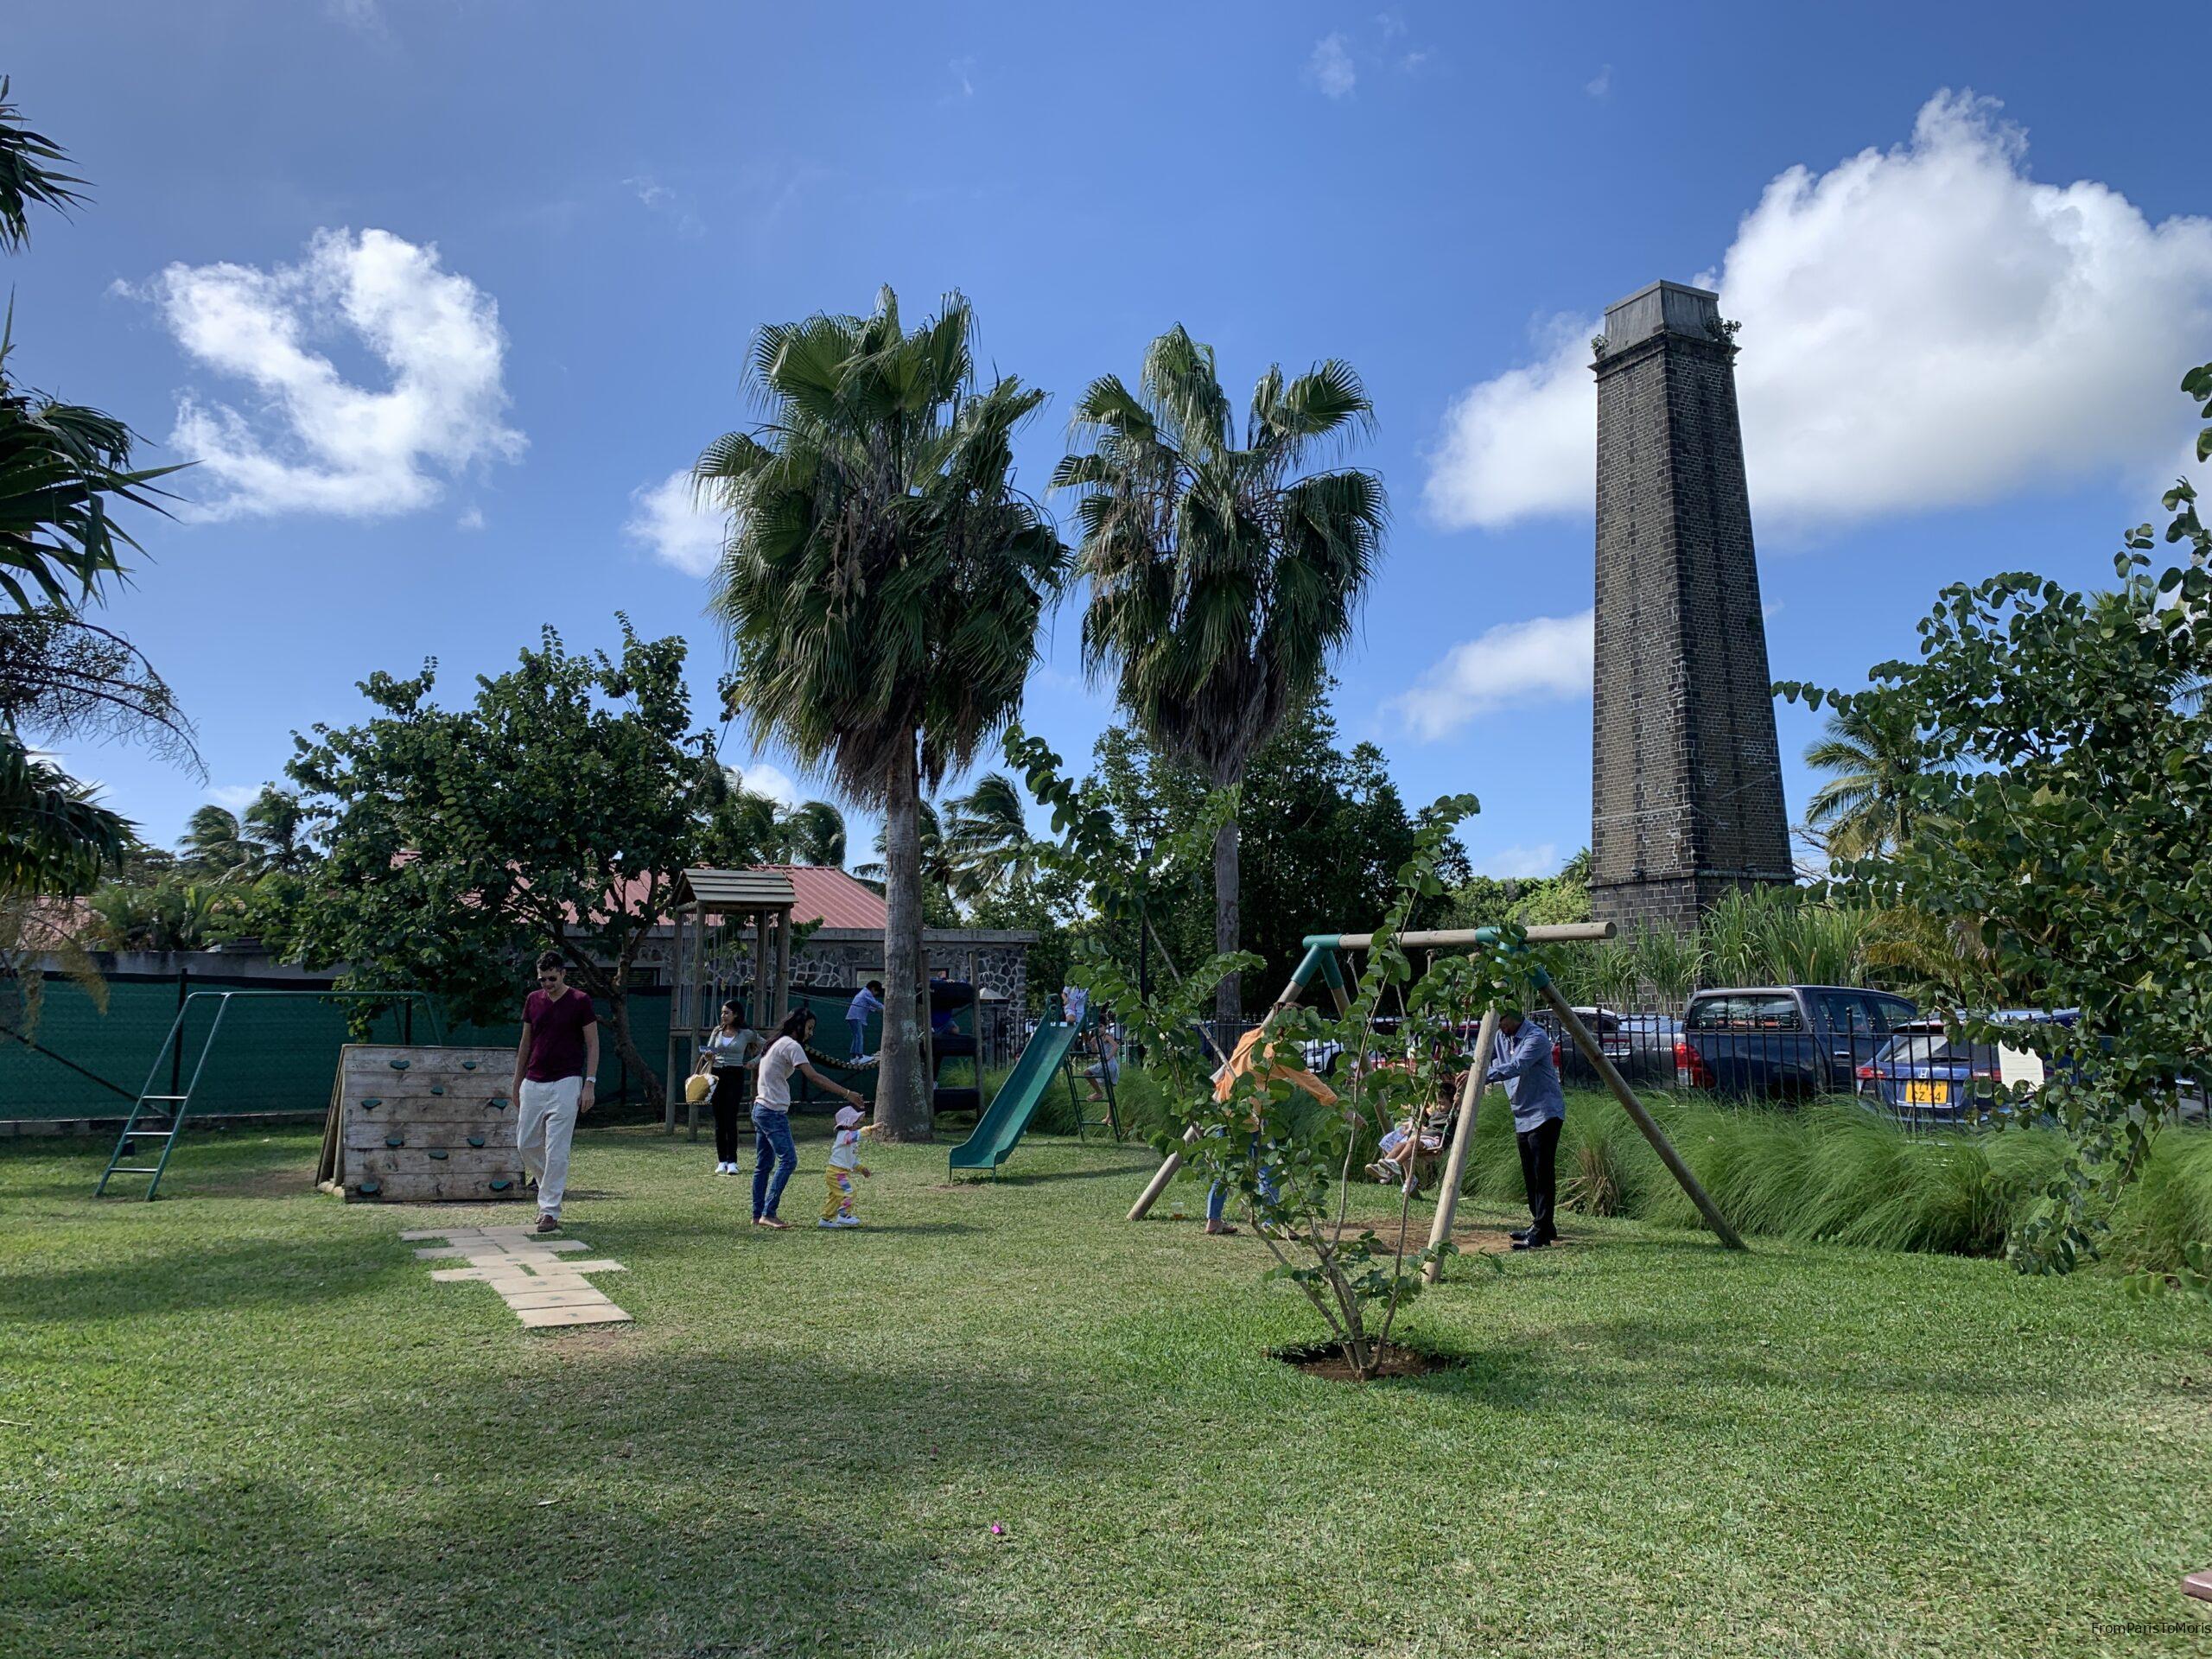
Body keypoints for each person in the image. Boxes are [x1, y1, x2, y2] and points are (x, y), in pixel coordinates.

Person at [753, 1007, 867, 1230]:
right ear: (798, 1025)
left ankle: (758, 1214)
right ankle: (768, 1213)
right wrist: (847, 1093)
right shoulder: (791, 1045)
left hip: (760, 1108)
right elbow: (814, 1077)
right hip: (772, 1112)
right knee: (789, 1161)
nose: (810, 1033)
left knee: (763, 1165)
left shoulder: (777, 1043)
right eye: (809, 1028)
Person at [512, 951, 598, 1236]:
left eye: (552, 978)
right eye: (542, 979)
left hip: (567, 1081)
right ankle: (548, 1185)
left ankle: (549, 1210)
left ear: (563, 974)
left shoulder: (579, 1001)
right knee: (525, 1144)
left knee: (556, 1149)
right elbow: (525, 1043)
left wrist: (590, 1083)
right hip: (534, 1081)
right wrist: (517, 1083)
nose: (547, 984)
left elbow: (593, 1044)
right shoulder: (532, 1001)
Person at [1488, 1008, 1566, 1249]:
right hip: (1522, 1115)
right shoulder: (1502, 1037)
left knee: (1543, 1173)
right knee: (1530, 1175)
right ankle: (1542, 1225)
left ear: (1514, 1015)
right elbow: (1482, 1055)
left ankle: (1541, 1233)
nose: (1500, 1027)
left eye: (1502, 1021)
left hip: (1544, 1113)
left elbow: (1517, 1066)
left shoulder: (1536, 1037)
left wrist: (1479, 1075)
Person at [699, 1001, 761, 1176]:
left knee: (730, 1118)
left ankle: (733, 1161)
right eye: (722, 1012)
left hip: (735, 1075)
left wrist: (754, 1062)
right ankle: (722, 1161)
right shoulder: (717, 1031)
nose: (723, 1016)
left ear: (735, 1015)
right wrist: (708, 1055)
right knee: (719, 1119)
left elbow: (768, 1046)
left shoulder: (745, 1034)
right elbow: (708, 1052)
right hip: (717, 1075)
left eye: (727, 1013)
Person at [818, 1103, 874, 1229]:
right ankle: (844, 1215)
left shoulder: (849, 1141)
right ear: (847, 1124)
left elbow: (851, 1159)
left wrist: (861, 1168)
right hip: (836, 1173)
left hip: (838, 1173)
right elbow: (856, 1135)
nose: (858, 1125)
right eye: (856, 1122)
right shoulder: (844, 1135)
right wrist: (870, 1129)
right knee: (849, 1191)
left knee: (837, 1197)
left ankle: (825, 1219)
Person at [845, 980, 884, 1062]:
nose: (875, 995)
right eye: (876, 992)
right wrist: (886, 1008)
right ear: (873, 989)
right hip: (856, 1017)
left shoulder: (863, 993)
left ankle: (853, 1057)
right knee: (859, 1036)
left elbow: (869, 1007)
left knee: (856, 1037)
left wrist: (878, 1010)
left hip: (853, 1017)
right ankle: (860, 1057)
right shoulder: (867, 993)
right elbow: (875, 1003)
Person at [1084, 1017, 1121, 1102]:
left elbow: (1116, 1046)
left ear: (1105, 1027)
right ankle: (1110, 1115)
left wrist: (1108, 1057)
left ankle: (1098, 1093)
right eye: (1096, 1027)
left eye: (1100, 1026)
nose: (1099, 1029)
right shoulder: (1097, 1039)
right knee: (1109, 1090)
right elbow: (1093, 1056)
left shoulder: (1106, 1037)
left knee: (1086, 1073)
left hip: (1109, 1064)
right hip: (1103, 1063)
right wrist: (1093, 1045)